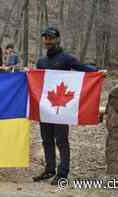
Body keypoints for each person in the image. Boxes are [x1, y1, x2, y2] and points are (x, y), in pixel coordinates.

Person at [32, 27, 98, 186]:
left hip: (63, 108)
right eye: (45, 38)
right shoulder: (41, 61)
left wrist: (98, 72)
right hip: (46, 107)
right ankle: (49, 169)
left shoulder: (66, 58)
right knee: (46, 139)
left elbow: (83, 68)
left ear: (57, 39)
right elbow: (38, 83)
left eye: (51, 38)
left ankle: (63, 173)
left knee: (61, 140)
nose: (47, 41)